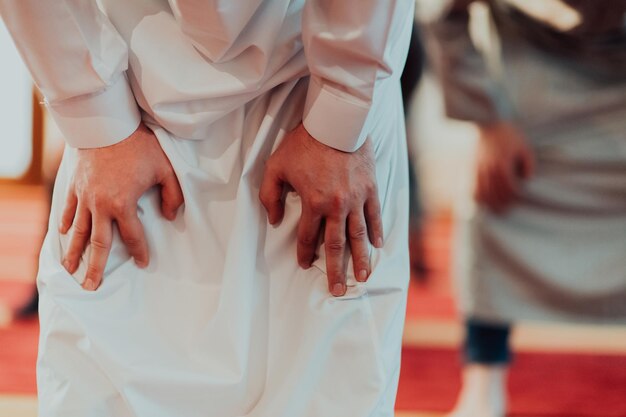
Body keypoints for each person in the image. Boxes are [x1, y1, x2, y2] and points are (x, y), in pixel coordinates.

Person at [0, 1, 414, 415]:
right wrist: (95, 117)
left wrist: (338, 116)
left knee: (319, 385)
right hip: (131, 102)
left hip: (310, 92)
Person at [420, 1, 626, 416]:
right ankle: (482, 378)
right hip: (528, 103)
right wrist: (489, 120)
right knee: (490, 198)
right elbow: (439, 13)